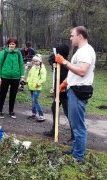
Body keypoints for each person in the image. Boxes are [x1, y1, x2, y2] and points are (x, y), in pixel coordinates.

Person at [55, 26, 96, 163]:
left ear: (80, 36)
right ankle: (76, 149)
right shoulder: (81, 51)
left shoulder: (86, 51)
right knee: (75, 123)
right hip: (73, 88)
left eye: (72, 35)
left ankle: (78, 157)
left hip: (79, 92)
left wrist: (64, 62)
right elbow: (75, 71)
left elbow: (83, 71)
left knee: (78, 126)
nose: (70, 38)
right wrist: (65, 83)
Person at [43, 44, 74, 143]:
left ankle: (74, 135)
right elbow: (51, 60)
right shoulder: (57, 63)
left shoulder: (66, 65)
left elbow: (67, 79)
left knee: (68, 113)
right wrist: (53, 62)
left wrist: (62, 88)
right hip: (58, 92)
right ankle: (54, 130)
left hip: (65, 93)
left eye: (57, 52)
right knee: (54, 108)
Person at [0, 37, 24, 119]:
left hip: (16, 77)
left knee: (13, 95)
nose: (12, 45)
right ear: (8, 44)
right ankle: (0, 111)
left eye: (13, 44)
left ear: (16, 45)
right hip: (5, 77)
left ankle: (11, 111)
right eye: (10, 44)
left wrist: (22, 76)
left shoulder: (18, 53)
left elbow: (21, 65)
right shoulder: (4, 53)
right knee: (2, 94)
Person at [27, 54, 47, 122]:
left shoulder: (42, 69)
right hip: (31, 87)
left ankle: (42, 115)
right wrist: (28, 82)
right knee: (33, 101)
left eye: (37, 61)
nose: (35, 62)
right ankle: (34, 113)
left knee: (35, 100)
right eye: (34, 61)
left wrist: (38, 83)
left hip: (37, 87)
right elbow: (29, 75)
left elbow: (43, 79)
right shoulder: (33, 67)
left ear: (40, 61)